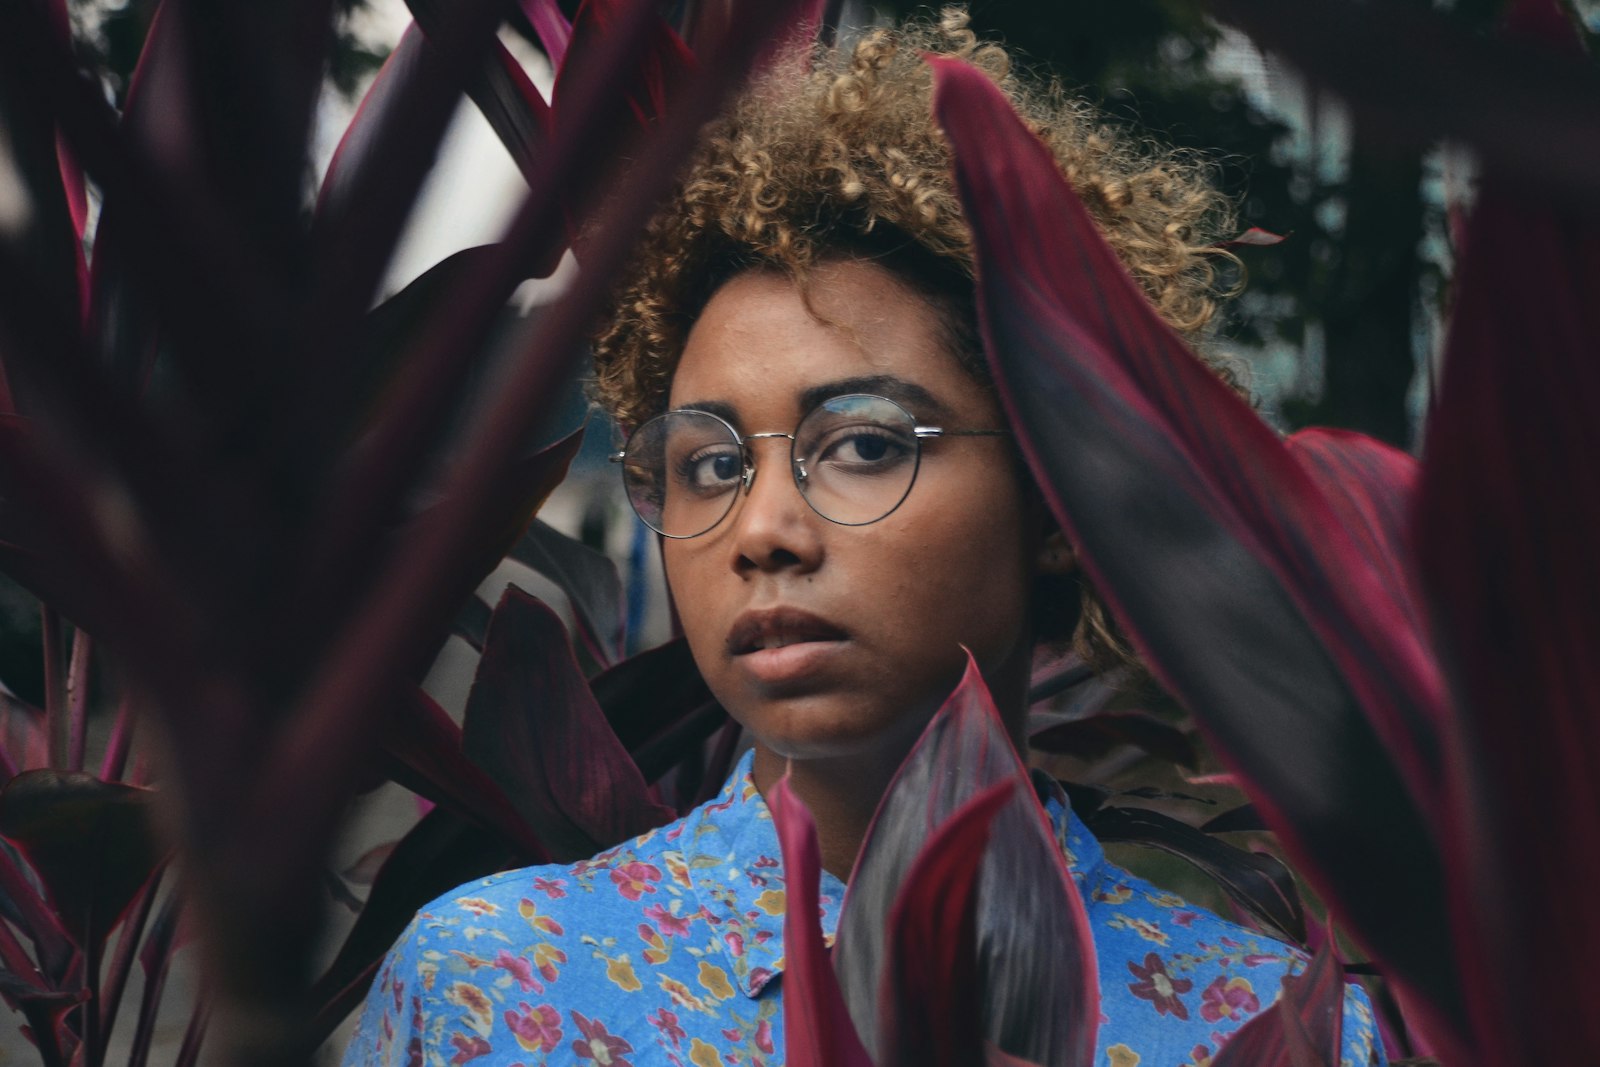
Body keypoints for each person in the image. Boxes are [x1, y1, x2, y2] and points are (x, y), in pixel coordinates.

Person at [344, 11, 1386, 1066]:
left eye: (864, 445)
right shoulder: (490, 988)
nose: (762, 531)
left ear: (1055, 491)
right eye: (710, 464)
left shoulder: (1267, 1028)